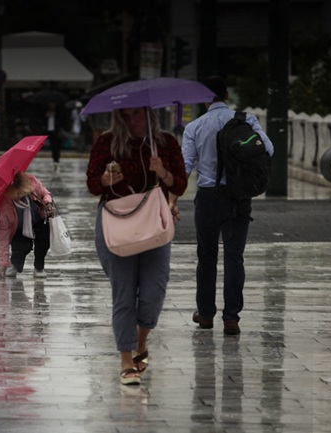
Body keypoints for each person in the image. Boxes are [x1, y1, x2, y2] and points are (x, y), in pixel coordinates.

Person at [86, 106, 187, 385]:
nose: (133, 120)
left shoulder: (164, 142)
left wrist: (162, 171)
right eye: (126, 115)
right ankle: (126, 359)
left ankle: (141, 340)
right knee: (124, 293)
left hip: (153, 222)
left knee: (154, 291)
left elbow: (180, 181)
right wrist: (105, 180)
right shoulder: (107, 142)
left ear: (149, 114)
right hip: (116, 224)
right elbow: (93, 184)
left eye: (138, 114)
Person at [181, 75, 274, 336]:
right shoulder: (246, 121)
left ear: (203, 98)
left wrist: (170, 197)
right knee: (235, 257)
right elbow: (269, 149)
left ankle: (206, 314)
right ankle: (231, 318)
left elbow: (185, 167)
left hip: (209, 197)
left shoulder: (195, 127)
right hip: (239, 196)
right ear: (226, 96)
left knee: (206, 257)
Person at [0, 171, 55, 279]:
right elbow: (3, 236)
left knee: (44, 239)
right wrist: (3, 263)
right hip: (19, 228)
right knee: (21, 246)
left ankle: (39, 267)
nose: (20, 196)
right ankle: (15, 264)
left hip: (38, 220)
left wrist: (47, 203)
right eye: (17, 193)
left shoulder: (33, 183)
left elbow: (46, 194)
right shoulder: (5, 205)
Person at [44, 102, 68, 173]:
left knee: (57, 146)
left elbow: (63, 121)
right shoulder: (47, 113)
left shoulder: (59, 113)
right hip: (50, 131)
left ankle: (56, 159)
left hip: (57, 132)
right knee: (53, 146)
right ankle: (54, 159)